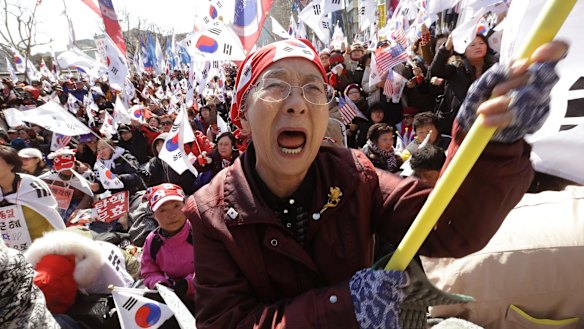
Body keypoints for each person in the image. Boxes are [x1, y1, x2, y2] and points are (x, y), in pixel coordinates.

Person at [186, 38, 566, 328]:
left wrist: (489, 141)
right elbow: (226, 322)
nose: (297, 103)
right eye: (275, 86)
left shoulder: (353, 174)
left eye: (312, 89)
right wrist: (345, 307)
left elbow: (450, 227)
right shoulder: (211, 213)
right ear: (243, 118)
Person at [429, 34, 497, 134]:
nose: (478, 47)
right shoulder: (456, 68)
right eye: (472, 45)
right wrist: (446, 47)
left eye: (481, 43)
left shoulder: (495, 66)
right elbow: (435, 71)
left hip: (488, 120)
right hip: (459, 124)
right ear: (463, 50)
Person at [0, 145, 64, 248]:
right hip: (11, 249)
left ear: (11, 164)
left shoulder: (32, 185)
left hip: (43, 245)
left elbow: (52, 215)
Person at [140, 184, 195, 302]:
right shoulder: (153, 242)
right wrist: (159, 284)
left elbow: (214, 266)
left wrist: (189, 284)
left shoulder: (200, 231)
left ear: (185, 205)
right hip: (174, 299)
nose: (171, 214)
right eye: (163, 210)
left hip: (209, 294)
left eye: (176, 206)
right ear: (154, 215)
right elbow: (149, 271)